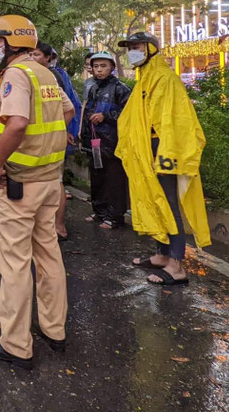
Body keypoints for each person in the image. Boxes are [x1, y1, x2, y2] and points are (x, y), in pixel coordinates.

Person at [0, 15, 75, 370]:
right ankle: (54, 330)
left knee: (15, 264)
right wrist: (46, 144)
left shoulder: (17, 75)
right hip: (49, 181)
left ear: (11, 43)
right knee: (48, 255)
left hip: (18, 185)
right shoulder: (45, 73)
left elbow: (17, 122)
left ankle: (16, 344)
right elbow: (68, 110)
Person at [116, 32, 210, 287]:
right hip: (149, 147)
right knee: (154, 200)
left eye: (137, 47)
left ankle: (177, 266)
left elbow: (172, 120)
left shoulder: (163, 78)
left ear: (151, 49)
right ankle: (161, 254)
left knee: (168, 204)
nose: (132, 52)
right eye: (130, 48)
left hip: (161, 149)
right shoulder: (146, 76)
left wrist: (166, 155)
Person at [31, 42, 80, 241]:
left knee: (55, 182)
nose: (32, 58)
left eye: (36, 54)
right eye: (30, 54)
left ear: (48, 58)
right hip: (43, 141)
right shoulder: (35, 76)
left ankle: (59, 226)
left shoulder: (53, 77)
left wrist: (59, 130)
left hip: (51, 142)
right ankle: (45, 225)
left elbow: (69, 108)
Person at [80, 51, 131, 229]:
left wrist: (107, 116)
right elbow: (87, 113)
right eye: (96, 66)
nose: (99, 70)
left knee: (114, 181)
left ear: (112, 68)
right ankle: (100, 212)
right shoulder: (93, 88)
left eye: (103, 66)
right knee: (97, 179)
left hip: (113, 143)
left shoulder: (121, 89)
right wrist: (84, 138)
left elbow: (130, 114)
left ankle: (115, 216)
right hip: (95, 143)